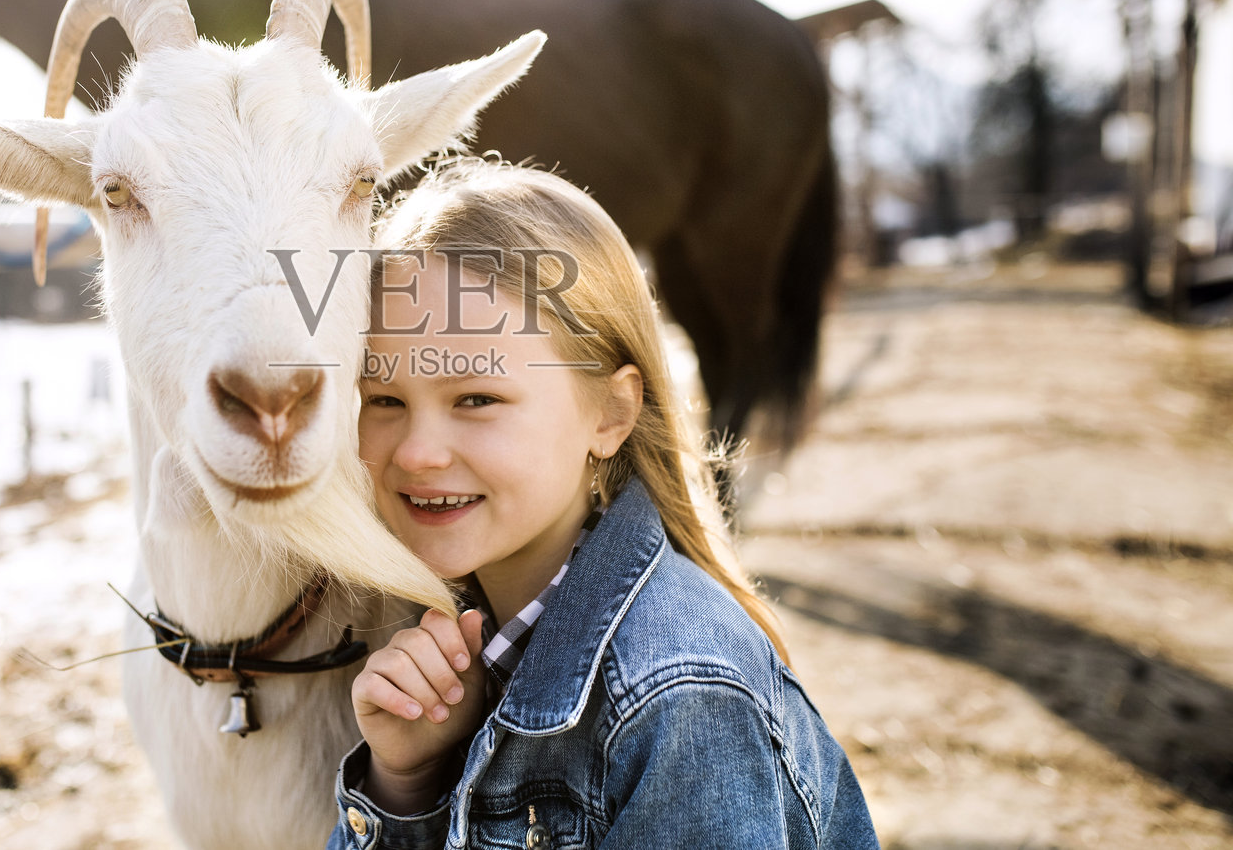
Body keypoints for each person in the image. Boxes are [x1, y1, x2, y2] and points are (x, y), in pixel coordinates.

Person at [327, 158, 878, 849]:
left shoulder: (679, 697)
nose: (416, 452)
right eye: (384, 399)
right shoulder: (445, 647)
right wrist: (408, 783)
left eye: (477, 399)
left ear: (611, 412)